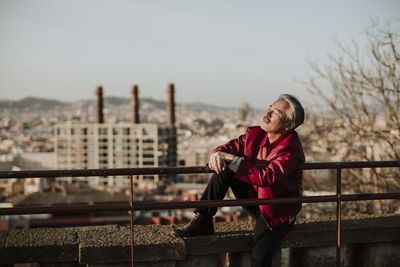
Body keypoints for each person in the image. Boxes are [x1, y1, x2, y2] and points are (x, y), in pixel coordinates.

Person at [173, 94, 305, 267]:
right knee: (225, 166)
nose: (268, 114)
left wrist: (232, 160)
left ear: (289, 125)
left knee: (259, 258)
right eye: (270, 108)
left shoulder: (292, 151)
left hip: (276, 210)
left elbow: (266, 176)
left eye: (276, 112)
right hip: (257, 198)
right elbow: (229, 148)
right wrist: (217, 154)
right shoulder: (255, 135)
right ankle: (203, 218)